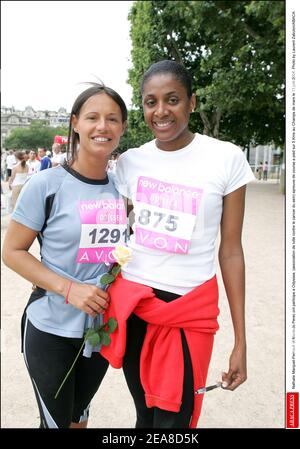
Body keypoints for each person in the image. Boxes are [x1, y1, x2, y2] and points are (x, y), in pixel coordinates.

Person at [101, 60, 255, 429]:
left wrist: (240, 340)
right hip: (135, 306)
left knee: (174, 421)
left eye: (172, 99)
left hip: (188, 310)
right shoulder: (129, 163)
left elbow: (231, 250)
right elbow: (113, 235)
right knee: (145, 416)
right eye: (150, 102)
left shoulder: (226, 158)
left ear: (192, 102)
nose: (161, 111)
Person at [2, 82, 128, 428]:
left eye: (113, 119)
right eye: (93, 117)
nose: (102, 126)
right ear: (75, 123)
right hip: (50, 326)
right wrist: (69, 289)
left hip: (99, 332)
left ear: (123, 128)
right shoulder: (45, 185)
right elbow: (12, 252)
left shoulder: (124, 188)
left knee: (78, 420)